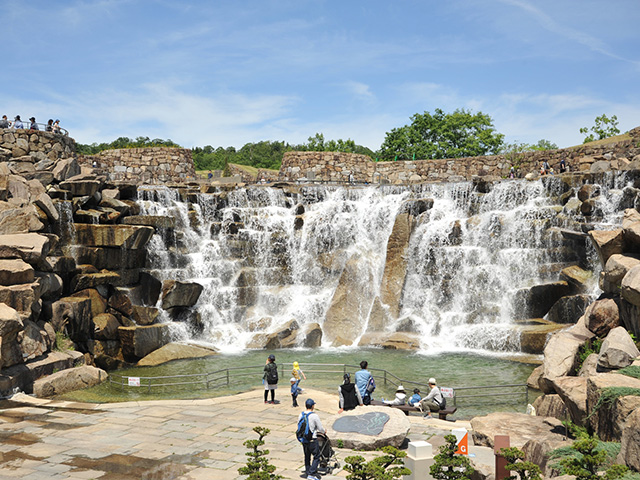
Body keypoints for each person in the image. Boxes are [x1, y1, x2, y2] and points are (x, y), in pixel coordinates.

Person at [299, 398, 325, 480]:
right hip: (312, 439)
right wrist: (324, 431)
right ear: (312, 406)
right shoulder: (314, 416)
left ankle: (307, 471)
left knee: (307, 456)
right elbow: (320, 428)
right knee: (317, 456)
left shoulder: (301, 414)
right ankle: (311, 473)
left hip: (303, 439)